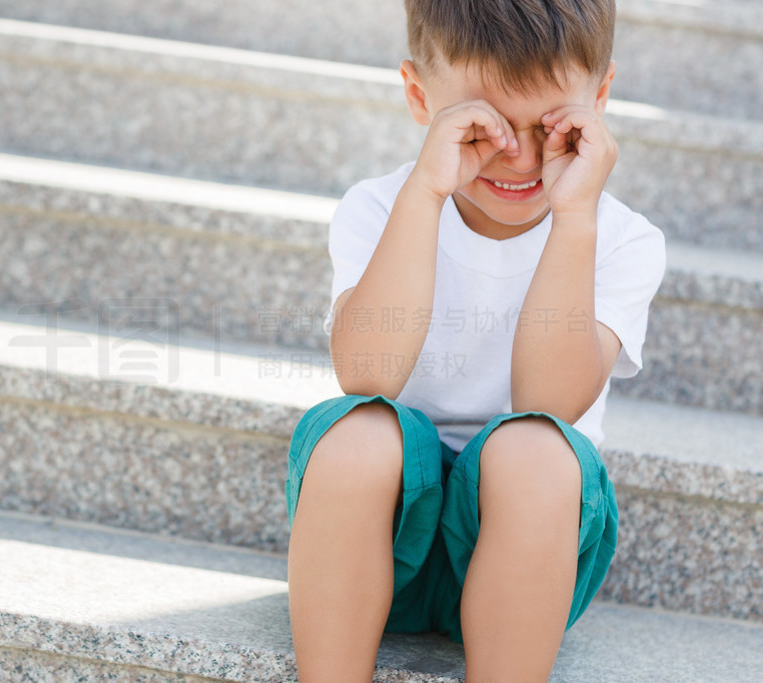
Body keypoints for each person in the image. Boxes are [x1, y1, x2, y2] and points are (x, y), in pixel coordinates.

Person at [284, 0, 667, 680]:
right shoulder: (379, 206)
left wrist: (574, 218)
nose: (518, 154)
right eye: (482, 127)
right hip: (382, 536)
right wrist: (427, 194)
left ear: (600, 99)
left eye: (548, 127)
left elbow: (548, 401)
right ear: (418, 97)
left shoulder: (621, 239)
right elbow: (366, 373)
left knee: (534, 448)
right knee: (356, 431)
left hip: (529, 548)